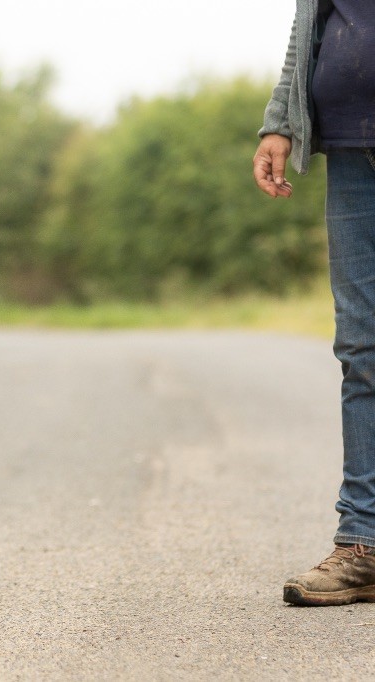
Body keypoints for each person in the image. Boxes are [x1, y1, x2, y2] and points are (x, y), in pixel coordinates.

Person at [254, 0, 375, 606]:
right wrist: (280, 120)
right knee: (362, 347)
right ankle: (363, 544)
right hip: (353, 148)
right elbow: (311, 28)